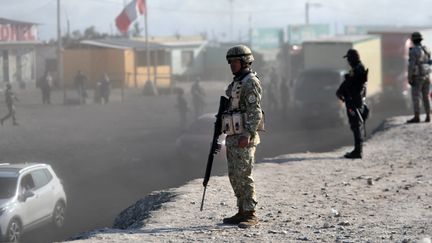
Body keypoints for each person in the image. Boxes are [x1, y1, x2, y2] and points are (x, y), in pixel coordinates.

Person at [222, 45, 263, 228]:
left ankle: (250, 213)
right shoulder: (237, 82)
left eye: (235, 62)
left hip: (244, 137)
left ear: (245, 61)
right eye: (230, 62)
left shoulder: (250, 82)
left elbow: (255, 112)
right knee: (234, 175)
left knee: (244, 174)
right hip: (233, 136)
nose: (232, 65)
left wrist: (247, 133)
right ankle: (241, 210)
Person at [336, 49, 368, 159]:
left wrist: (342, 89)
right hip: (354, 99)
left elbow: (351, 83)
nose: (348, 61)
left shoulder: (358, 68)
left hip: (354, 100)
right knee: (355, 125)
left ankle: (358, 151)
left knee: (355, 125)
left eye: (349, 58)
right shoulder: (357, 68)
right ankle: (357, 149)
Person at [407, 32, 431, 123]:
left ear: (413, 40)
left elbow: (411, 65)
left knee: (416, 97)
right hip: (427, 75)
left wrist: (409, 78)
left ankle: (417, 117)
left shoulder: (413, 51)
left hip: (417, 76)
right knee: (426, 96)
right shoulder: (427, 49)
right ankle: (428, 116)